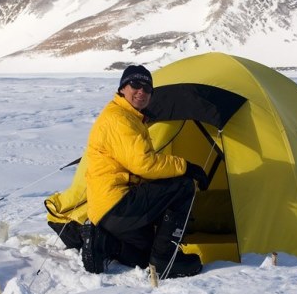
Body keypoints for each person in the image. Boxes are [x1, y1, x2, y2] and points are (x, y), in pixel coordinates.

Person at [80, 65, 209, 278]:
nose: (142, 91)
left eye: (148, 88)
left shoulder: (128, 116)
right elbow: (144, 164)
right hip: (117, 202)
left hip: (108, 210)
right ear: (122, 88)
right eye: (135, 85)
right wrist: (187, 167)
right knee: (183, 186)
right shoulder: (119, 118)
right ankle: (166, 262)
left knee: (146, 253)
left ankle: (105, 243)